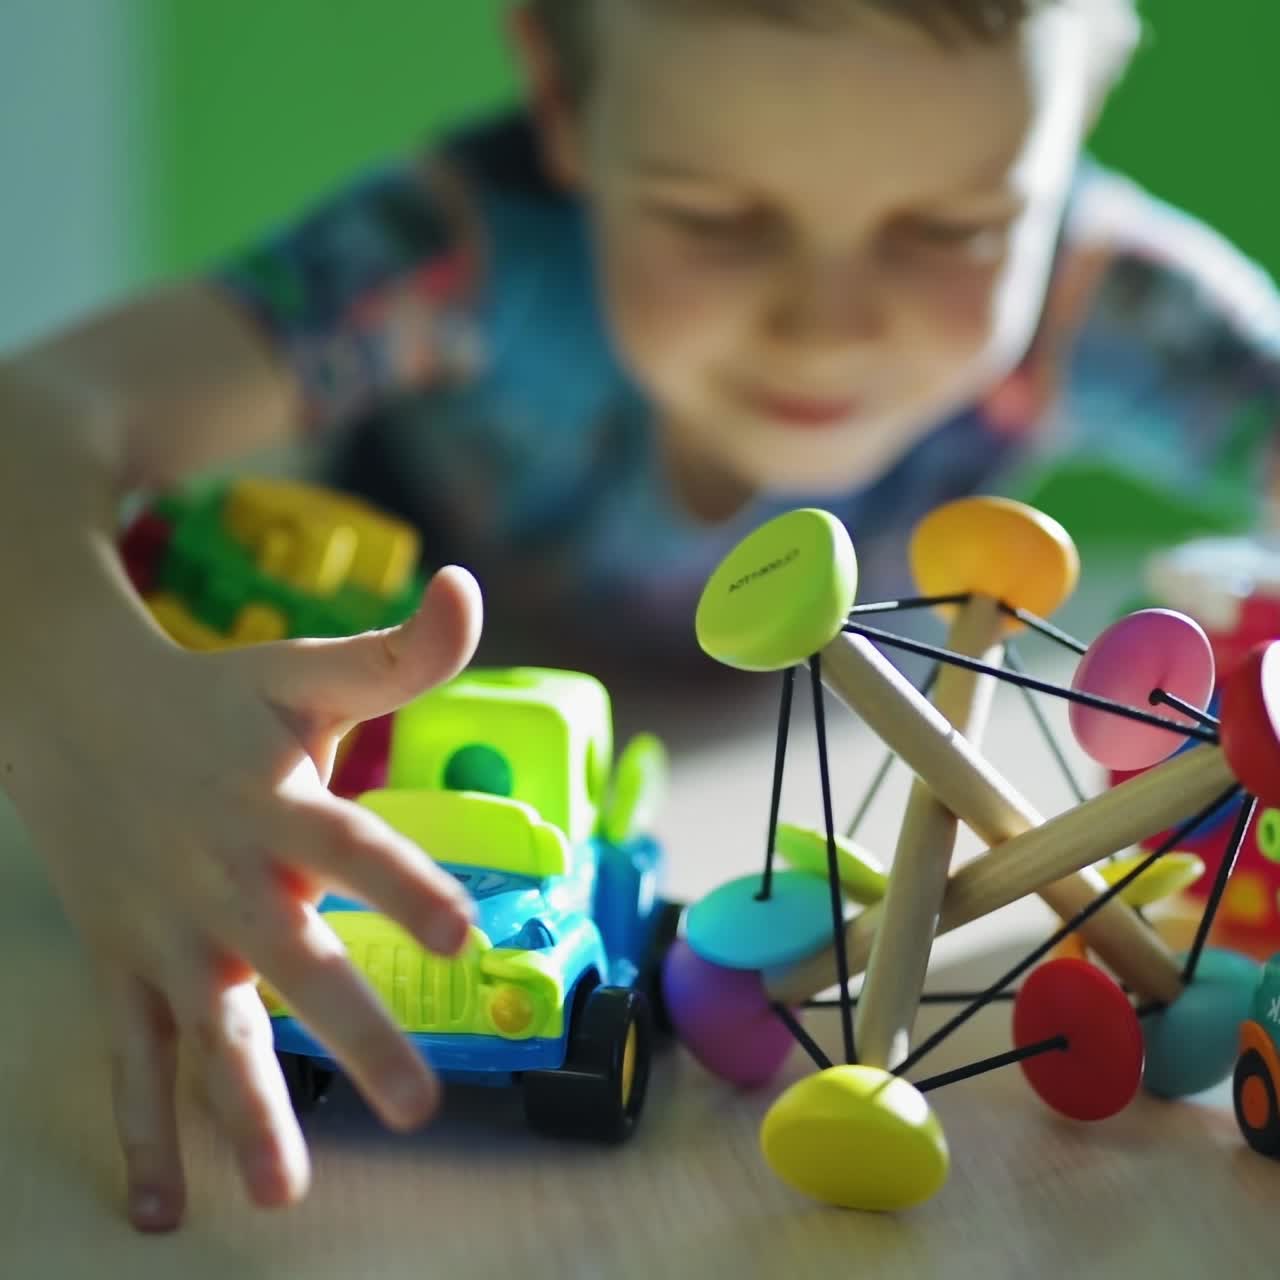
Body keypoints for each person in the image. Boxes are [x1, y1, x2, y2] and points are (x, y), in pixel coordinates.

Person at [1, 0, 1277, 1235]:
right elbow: (36, 416)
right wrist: (90, 699)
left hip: (752, 809)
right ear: (562, 97)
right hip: (411, 780)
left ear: (1070, 126)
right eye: (714, 218)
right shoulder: (454, 255)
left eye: (953, 227)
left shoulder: (1100, 294)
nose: (825, 326)